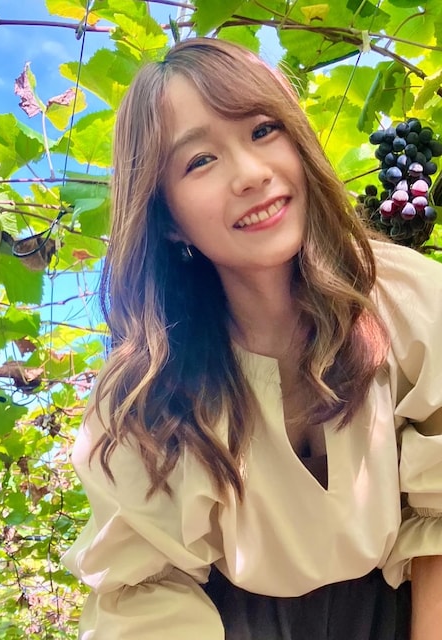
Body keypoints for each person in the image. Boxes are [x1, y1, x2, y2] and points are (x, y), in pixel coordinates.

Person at [62, 37, 442, 639]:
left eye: (264, 130)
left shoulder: (410, 298)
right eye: (199, 161)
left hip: (405, 607)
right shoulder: (141, 397)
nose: (251, 174)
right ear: (166, 219)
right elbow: (143, 594)